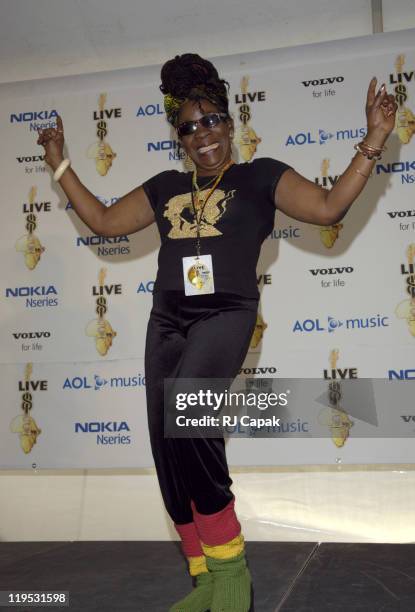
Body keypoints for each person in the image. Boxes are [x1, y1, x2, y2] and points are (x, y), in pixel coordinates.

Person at [37, 53, 397, 612]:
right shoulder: (164, 187)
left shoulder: (260, 177)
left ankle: (232, 574)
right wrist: (59, 164)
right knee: (166, 442)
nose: (201, 134)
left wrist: (372, 139)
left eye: (210, 121)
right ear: (177, 137)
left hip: (226, 313)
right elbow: (105, 221)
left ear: (230, 124)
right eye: (188, 126)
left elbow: (327, 208)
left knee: (191, 414)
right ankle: (203, 576)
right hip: (167, 320)